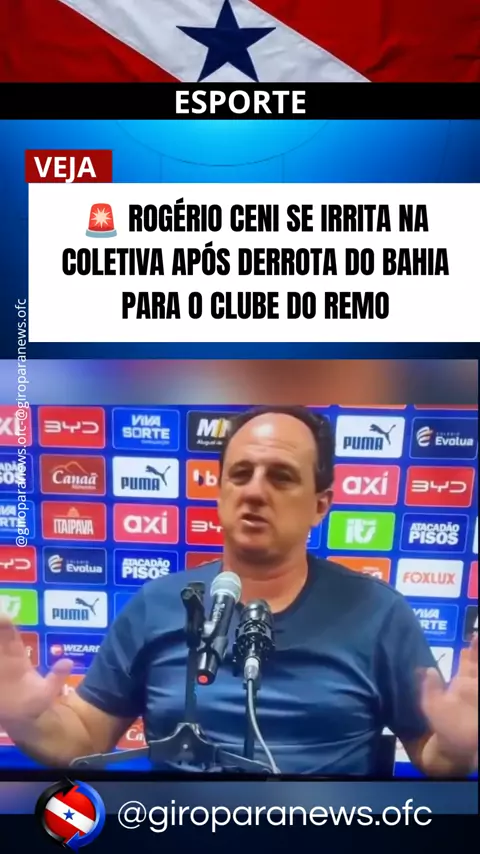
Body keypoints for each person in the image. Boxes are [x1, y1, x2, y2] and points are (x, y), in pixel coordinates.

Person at [0, 406, 477, 775]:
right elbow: (82, 738)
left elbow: (435, 758)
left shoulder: (378, 613)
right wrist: (23, 718)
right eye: (240, 474)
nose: (254, 491)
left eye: (281, 477)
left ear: (320, 504)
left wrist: (458, 744)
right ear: (220, 492)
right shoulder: (156, 604)